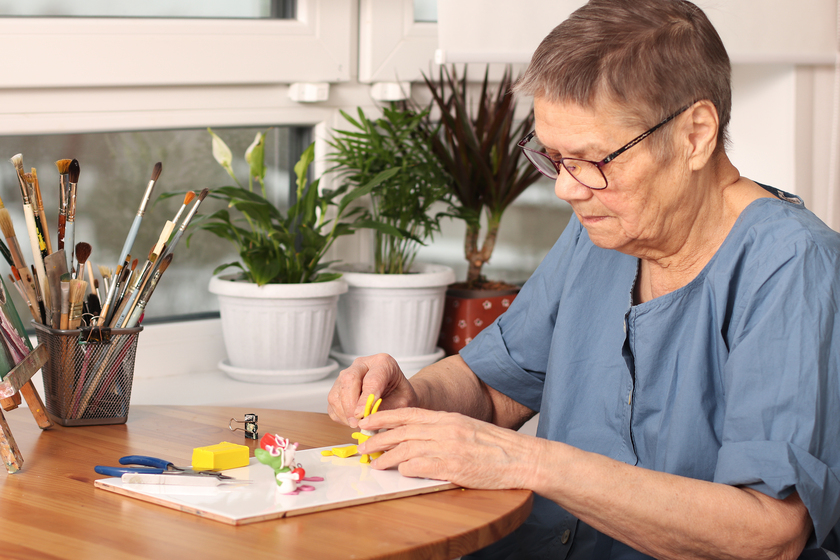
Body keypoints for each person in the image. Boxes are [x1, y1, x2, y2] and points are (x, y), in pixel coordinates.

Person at [327, 0, 840, 558]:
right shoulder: (604, 227)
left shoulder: (793, 265)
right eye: (554, 158)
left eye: (593, 159)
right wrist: (414, 398)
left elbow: (770, 533)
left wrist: (525, 461)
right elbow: (495, 385)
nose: (566, 189)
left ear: (695, 134)